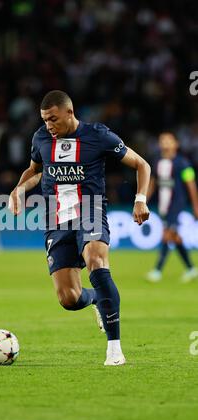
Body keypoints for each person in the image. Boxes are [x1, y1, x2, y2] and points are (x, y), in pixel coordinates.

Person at [9, 90, 151, 366]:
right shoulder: (40, 138)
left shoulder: (97, 135)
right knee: (69, 298)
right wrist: (19, 189)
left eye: (53, 119)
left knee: (97, 261)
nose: (48, 125)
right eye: (44, 120)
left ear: (69, 113)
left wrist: (140, 199)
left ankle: (114, 349)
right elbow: (36, 171)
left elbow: (141, 165)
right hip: (56, 220)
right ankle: (98, 299)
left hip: (90, 210)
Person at [146, 132, 198, 283]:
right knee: (175, 238)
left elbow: (191, 184)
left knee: (167, 234)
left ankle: (157, 270)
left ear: (176, 144)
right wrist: (142, 200)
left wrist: (195, 205)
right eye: (162, 140)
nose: (165, 143)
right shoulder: (157, 162)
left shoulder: (183, 163)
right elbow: (153, 183)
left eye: (168, 140)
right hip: (164, 205)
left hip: (177, 204)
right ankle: (191, 268)